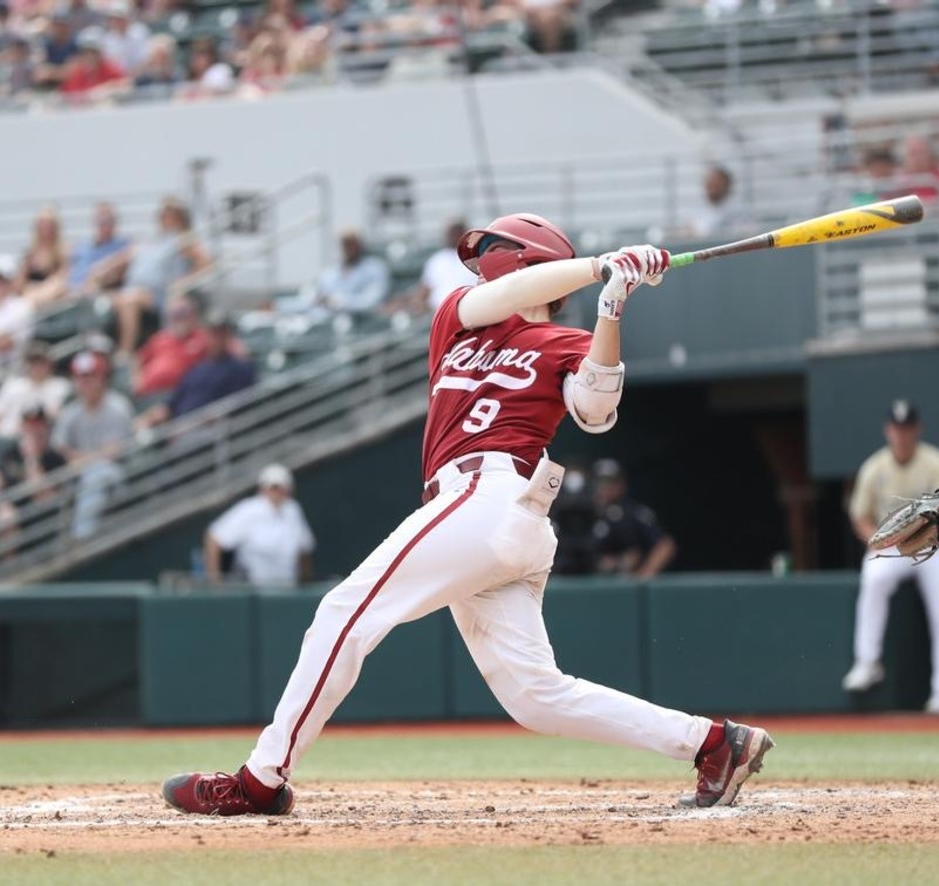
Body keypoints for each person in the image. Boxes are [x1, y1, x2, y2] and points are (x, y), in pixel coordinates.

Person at [162, 213, 773, 817]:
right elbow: (509, 295)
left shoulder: (567, 341)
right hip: (479, 514)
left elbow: (594, 411)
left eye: (491, 254)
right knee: (537, 696)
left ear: (523, 255)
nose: (479, 267)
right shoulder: (457, 324)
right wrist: (599, 267)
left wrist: (611, 306)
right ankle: (713, 743)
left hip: (496, 499)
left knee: (342, 613)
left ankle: (261, 779)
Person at [843, 400, 939, 716]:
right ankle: (867, 663)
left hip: (935, 543)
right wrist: (877, 539)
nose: (901, 435)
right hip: (894, 546)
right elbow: (860, 516)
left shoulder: (936, 463)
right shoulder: (874, 467)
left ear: (916, 430)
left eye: (907, 428)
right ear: (888, 430)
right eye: (897, 428)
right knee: (873, 577)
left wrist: (924, 525)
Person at [110, 197, 211, 357]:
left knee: (129, 301)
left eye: (169, 213)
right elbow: (120, 259)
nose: (164, 217)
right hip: (131, 288)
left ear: (180, 217)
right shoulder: (151, 240)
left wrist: (185, 281)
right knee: (99, 301)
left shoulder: (183, 240)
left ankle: (125, 352)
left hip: (158, 294)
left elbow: (206, 264)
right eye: (162, 213)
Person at [51, 350, 135, 536]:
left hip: (118, 474)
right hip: (80, 473)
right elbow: (60, 447)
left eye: (90, 377)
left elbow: (114, 452)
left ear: (102, 378)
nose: (85, 384)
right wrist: (78, 459)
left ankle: (81, 538)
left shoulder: (118, 407)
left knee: (98, 473)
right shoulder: (71, 412)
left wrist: (82, 460)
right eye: (81, 378)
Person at [134, 308, 257, 429]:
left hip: (211, 433)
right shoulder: (197, 369)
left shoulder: (240, 369)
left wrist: (191, 425)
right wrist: (147, 419)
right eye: (213, 333)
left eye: (221, 333)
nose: (217, 339)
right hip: (178, 429)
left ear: (228, 335)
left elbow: (235, 407)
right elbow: (172, 403)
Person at [204, 464, 315, 585]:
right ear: (263, 489)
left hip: (287, 588)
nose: (278, 492)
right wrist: (215, 582)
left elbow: (303, 551)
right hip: (253, 590)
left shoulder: (293, 510)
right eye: (274, 487)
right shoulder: (249, 509)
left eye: (282, 487)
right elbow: (214, 538)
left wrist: (306, 583)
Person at [0, 404, 68, 530]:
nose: (34, 430)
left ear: (46, 427)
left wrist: (32, 459)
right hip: (9, 512)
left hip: (40, 518)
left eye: (38, 425)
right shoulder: (11, 454)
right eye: (29, 425)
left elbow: (43, 498)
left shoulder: (55, 458)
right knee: (3, 518)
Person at [591, 459, 677, 580]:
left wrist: (643, 575)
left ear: (622, 483)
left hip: (624, 585)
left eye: (611, 481)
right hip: (590, 583)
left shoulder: (634, 513)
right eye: (601, 481)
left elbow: (665, 545)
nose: (606, 486)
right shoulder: (584, 513)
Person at [0, 341, 72, 438]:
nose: (37, 367)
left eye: (41, 362)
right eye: (33, 362)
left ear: (50, 363)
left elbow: (61, 418)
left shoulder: (61, 386)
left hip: (41, 438)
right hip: (8, 437)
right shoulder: (13, 385)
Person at [393, 219, 479, 314]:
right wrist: (417, 302)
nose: (454, 236)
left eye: (457, 232)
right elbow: (425, 289)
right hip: (435, 312)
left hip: (465, 310)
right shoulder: (437, 259)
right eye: (451, 232)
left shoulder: (474, 258)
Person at [132, 293, 207, 400]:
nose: (179, 318)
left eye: (183, 313)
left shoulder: (202, 338)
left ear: (193, 315)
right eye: (175, 314)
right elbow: (138, 358)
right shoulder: (160, 337)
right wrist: (137, 380)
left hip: (177, 395)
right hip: (147, 394)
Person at [312, 229, 391, 316]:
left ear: (359, 245)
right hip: (328, 320)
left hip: (361, 321)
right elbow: (318, 299)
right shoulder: (330, 273)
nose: (349, 248)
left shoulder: (375, 269)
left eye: (352, 243)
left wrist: (339, 302)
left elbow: (372, 301)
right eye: (345, 244)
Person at [64, 202, 131, 299]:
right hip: (70, 288)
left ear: (114, 223)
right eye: (101, 222)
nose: (104, 226)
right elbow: (68, 265)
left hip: (95, 291)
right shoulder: (83, 245)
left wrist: (100, 270)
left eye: (108, 222)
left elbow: (130, 255)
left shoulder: (121, 244)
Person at [15, 206, 69, 304]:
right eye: (42, 224)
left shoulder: (62, 253)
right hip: (31, 299)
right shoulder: (30, 254)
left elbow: (62, 282)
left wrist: (38, 290)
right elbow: (18, 288)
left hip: (52, 301)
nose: (45, 228)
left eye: (48, 224)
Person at [897, 135, 939, 212]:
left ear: (929, 154)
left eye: (921, 153)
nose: (918, 158)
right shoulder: (899, 183)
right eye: (913, 154)